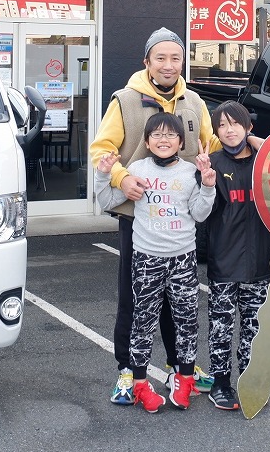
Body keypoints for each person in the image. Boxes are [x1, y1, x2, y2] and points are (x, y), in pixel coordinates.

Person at [88, 27, 218, 406]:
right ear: (146, 62)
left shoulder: (193, 102)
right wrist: (122, 177)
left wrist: (257, 143)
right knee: (135, 298)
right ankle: (127, 372)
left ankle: (185, 370)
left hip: (181, 219)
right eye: (160, 58)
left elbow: (211, 145)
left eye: (175, 58)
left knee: (179, 302)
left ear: (183, 63)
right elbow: (101, 150)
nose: (168, 65)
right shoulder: (125, 100)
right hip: (139, 217)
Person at [199, 101, 270, 411]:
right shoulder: (211, 165)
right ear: (216, 132)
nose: (229, 130)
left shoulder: (266, 162)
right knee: (221, 325)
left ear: (249, 128)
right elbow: (202, 213)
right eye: (222, 125)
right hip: (224, 261)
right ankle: (220, 383)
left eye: (235, 124)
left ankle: (250, 381)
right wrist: (204, 181)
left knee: (255, 326)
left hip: (261, 262)